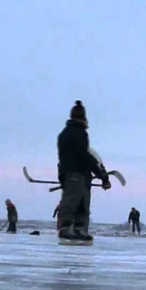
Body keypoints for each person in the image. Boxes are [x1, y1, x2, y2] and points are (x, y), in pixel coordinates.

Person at [56, 100, 111, 242]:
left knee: (82, 201)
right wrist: (101, 174)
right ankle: (67, 228)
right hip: (76, 173)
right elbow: (84, 156)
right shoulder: (79, 133)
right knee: (73, 200)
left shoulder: (64, 133)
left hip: (73, 173)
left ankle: (79, 229)